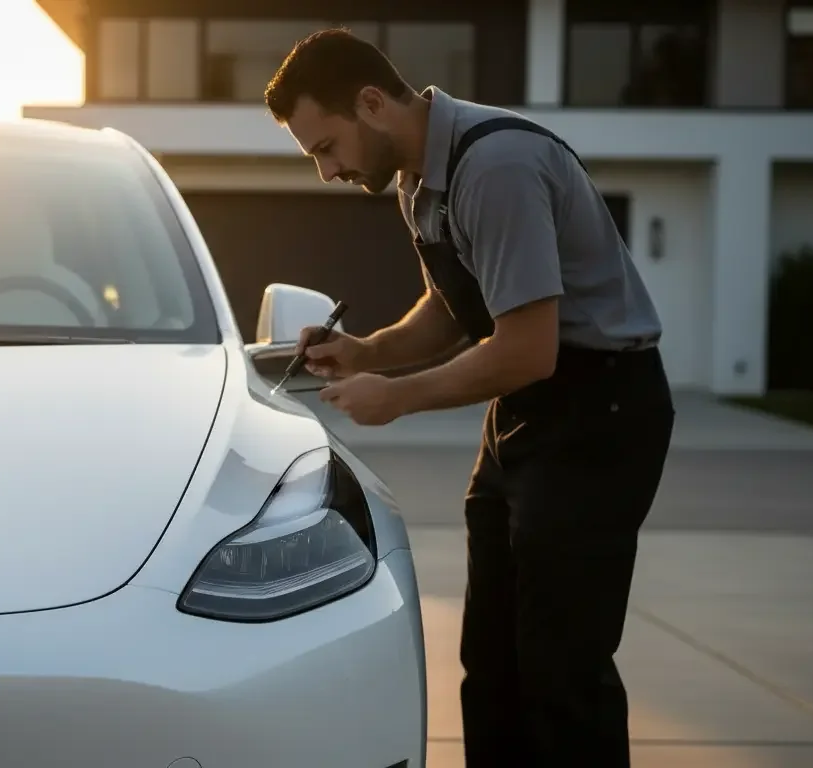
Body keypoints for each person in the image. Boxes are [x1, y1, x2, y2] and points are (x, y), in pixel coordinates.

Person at [264, 28, 675, 768]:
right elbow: (454, 309)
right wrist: (367, 352)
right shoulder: (418, 180)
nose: (326, 172)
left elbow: (526, 348)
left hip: (598, 412)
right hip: (525, 413)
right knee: (491, 663)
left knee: (561, 672)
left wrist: (396, 396)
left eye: (326, 148)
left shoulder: (497, 167)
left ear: (371, 102)